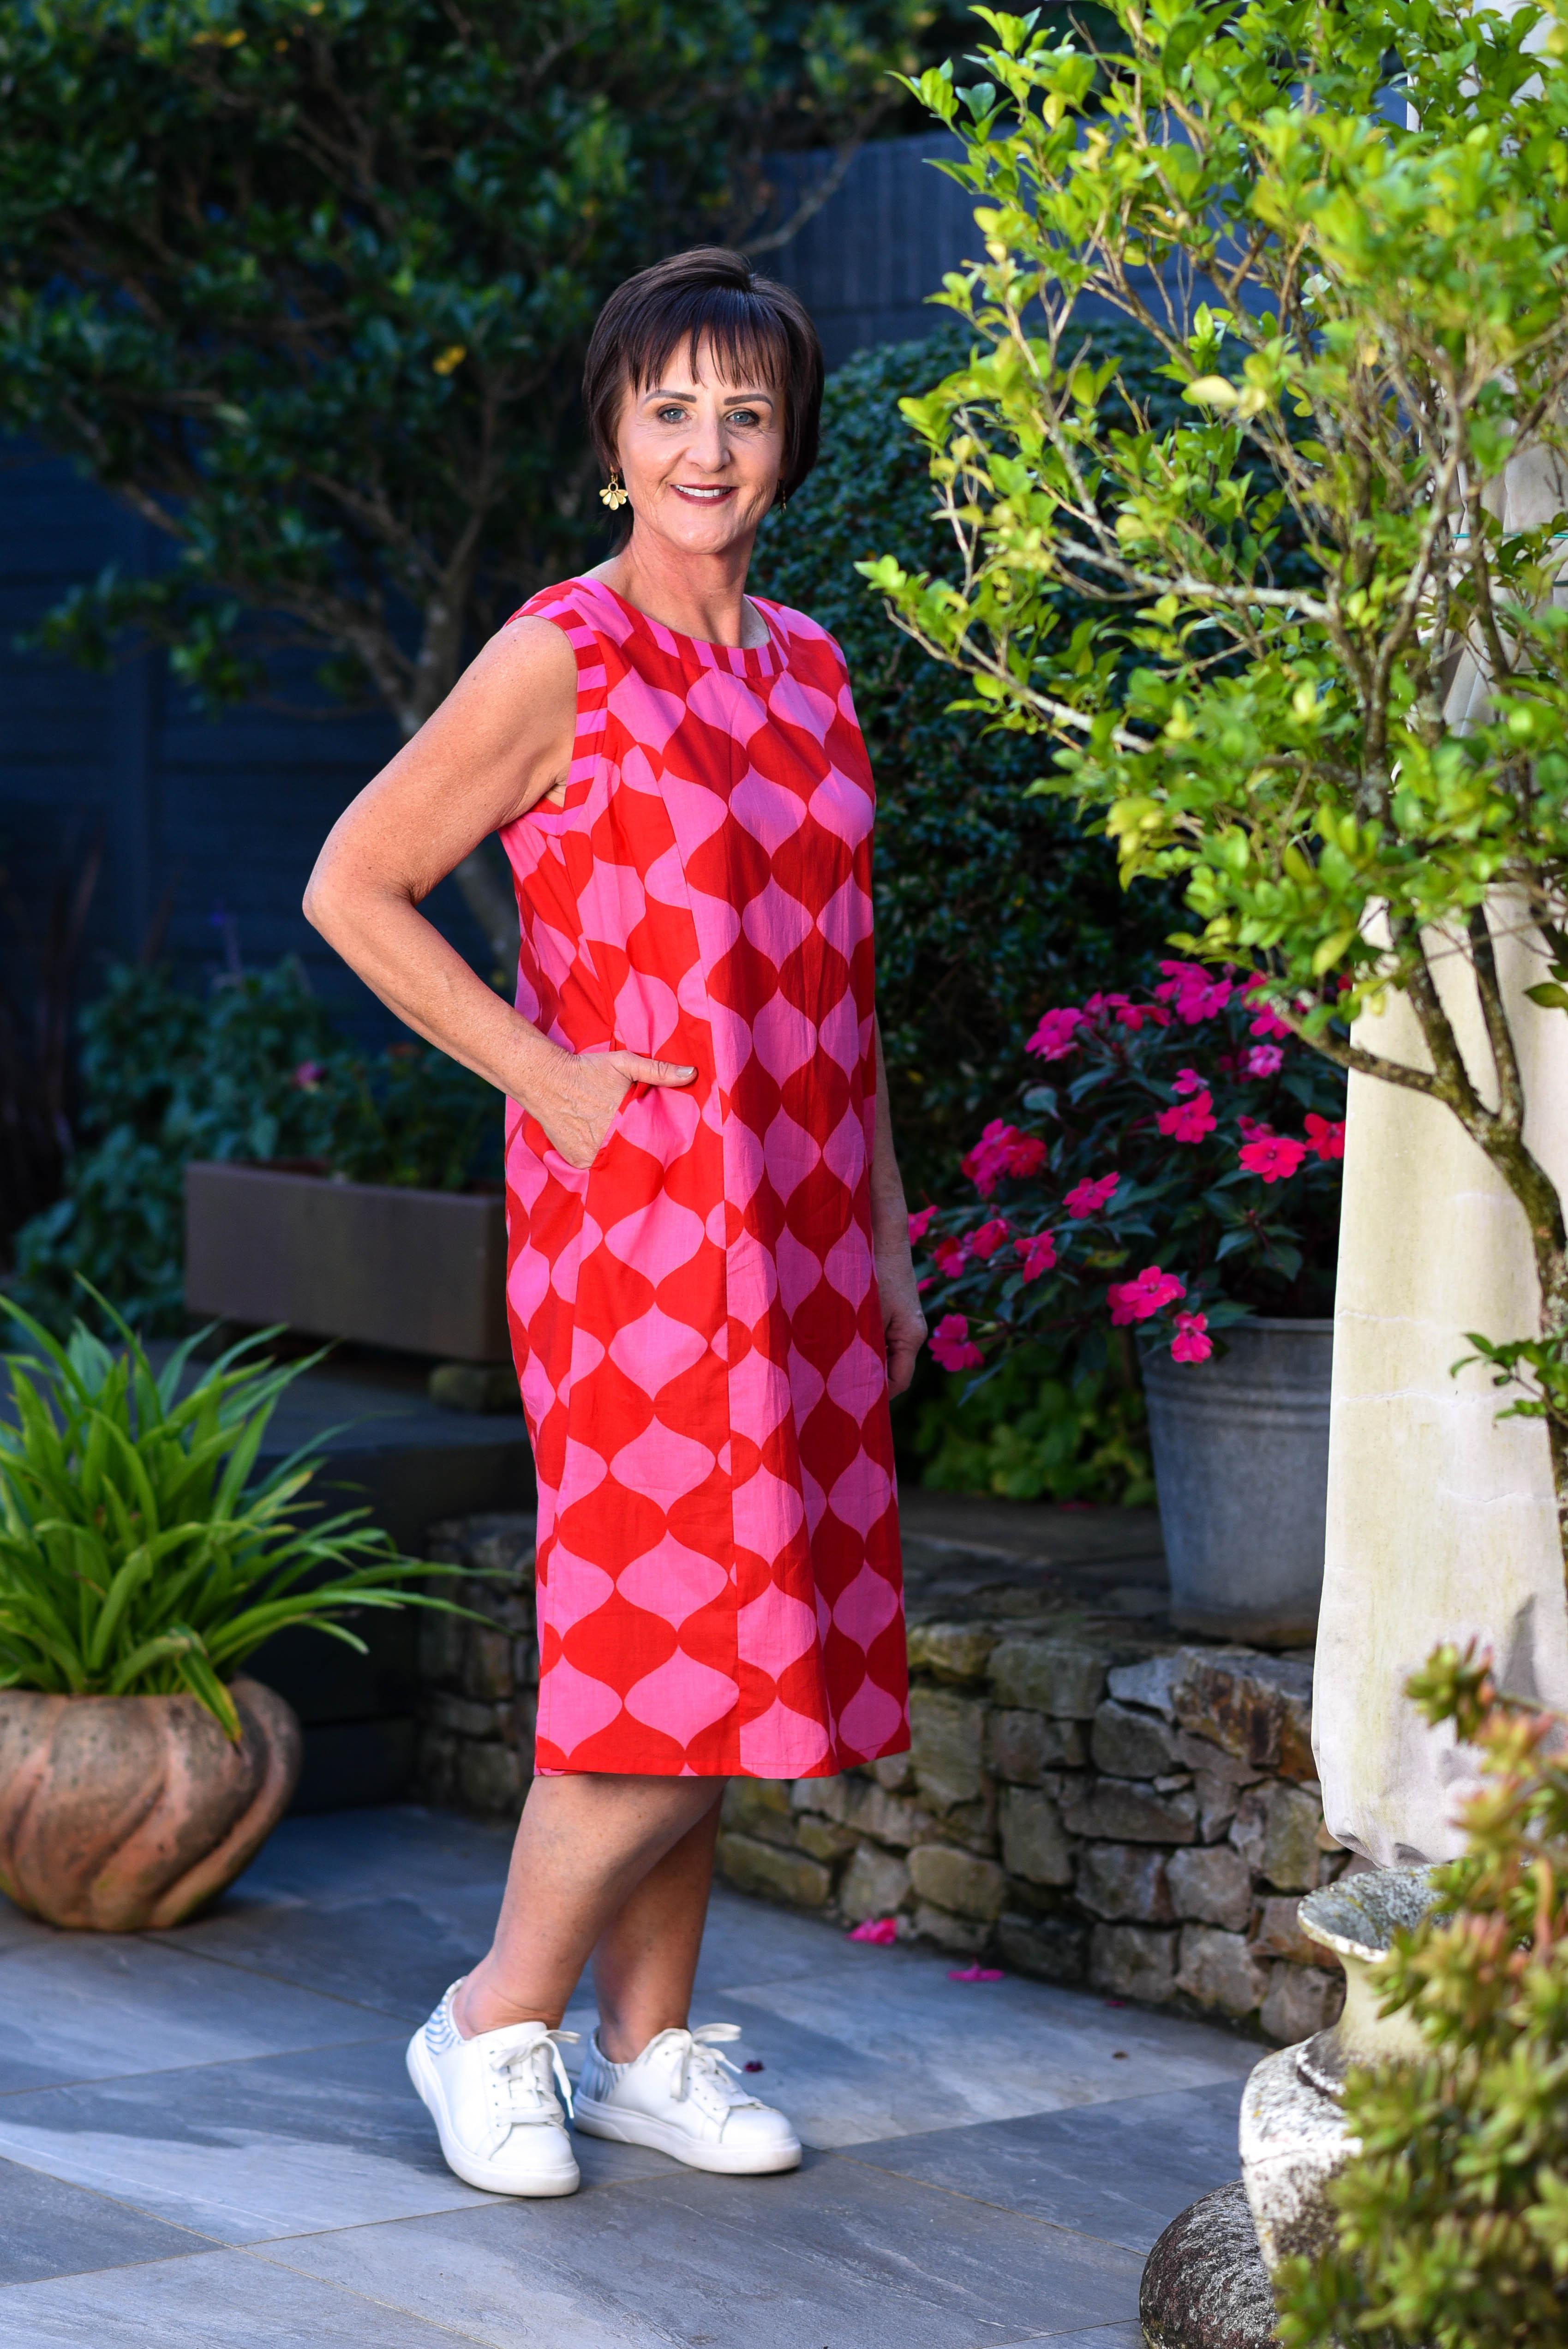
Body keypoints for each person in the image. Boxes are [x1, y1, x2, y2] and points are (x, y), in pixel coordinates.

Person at [304, 246, 925, 2199]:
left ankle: (650, 2046)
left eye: (744, 411)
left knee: (749, 1635)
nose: (706, 446)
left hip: (807, 1224)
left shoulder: (813, 665)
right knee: (664, 1644)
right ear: (612, 439)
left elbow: (845, 984)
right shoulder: (560, 654)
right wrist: (546, 1076)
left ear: (788, 442)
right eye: (670, 410)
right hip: (644, 1230)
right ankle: (495, 2017)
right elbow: (354, 882)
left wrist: (888, 1233)